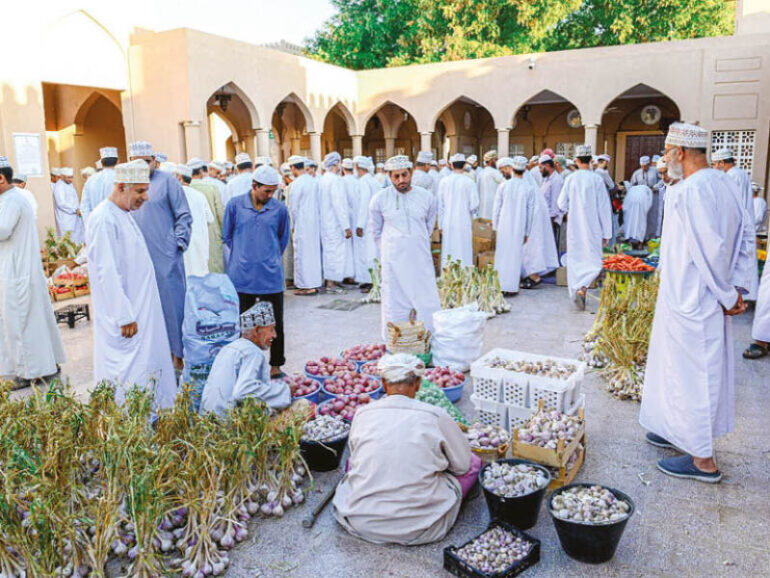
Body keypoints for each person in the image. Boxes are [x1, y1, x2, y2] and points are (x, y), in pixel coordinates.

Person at [640, 123, 753, 483]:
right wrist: (738, 286)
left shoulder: (695, 190)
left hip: (695, 297)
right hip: (687, 294)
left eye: (668, 150)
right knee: (674, 368)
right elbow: (744, 235)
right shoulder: (722, 182)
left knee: (695, 375)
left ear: (681, 153)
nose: (665, 157)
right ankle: (676, 430)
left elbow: (711, 250)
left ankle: (703, 460)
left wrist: (727, 293)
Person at [333, 353, 480, 545]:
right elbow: (461, 466)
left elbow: (356, 456)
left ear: (384, 385)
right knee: (474, 463)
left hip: (360, 521)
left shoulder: (362, 414)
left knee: (354, 464)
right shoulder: (436, 415)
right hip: (422, 527)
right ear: (418, 384)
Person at [86, 160, 176, 409]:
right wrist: (123, 315)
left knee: (146, 367)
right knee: (128, 375)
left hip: (140, 311)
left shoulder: (122, 215)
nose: (145, 197)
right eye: (139, 191)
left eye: (146, 190)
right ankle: (131, 429)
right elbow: (106, 271)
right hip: (126, 318)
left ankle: (154, 418)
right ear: (121, 187)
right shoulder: (104, 219)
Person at [0, 156, 65, 387]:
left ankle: (30, 372)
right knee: (33, 320)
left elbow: (3, 230)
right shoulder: (13, 198)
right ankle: (47, 364)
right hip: (20, 270)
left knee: (20, 322)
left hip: (18, 273)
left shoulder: (11, 201)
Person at [128, 141, 192, 370]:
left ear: (154, 160)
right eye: (138, 162)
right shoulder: (128, 183)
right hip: (138, 257)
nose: (144, 166)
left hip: (166, 257)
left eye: (147, 161)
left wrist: (177, 244)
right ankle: (153, 358)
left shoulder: (168, 182)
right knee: (144, 308)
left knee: (173, 307)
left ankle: (178, 357)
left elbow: (184, 215)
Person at [222, 165, 290, 378]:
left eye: (273, 191)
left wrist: (266, 257)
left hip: (270, 275)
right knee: (244, 325)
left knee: (275, 323)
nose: (271, 196)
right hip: (242, 276)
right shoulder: (235, 206)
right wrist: (244, 256)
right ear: (254, 186)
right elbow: (228, 236)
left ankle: (276, 365)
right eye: (266, 191)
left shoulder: (279, 209)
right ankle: (244, 367)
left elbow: (282, 239)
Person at [370, 155, 440, 339]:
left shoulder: (427, 197)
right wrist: (390, 250)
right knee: (394, 302)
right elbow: (376, 231)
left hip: (419, 258)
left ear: (411, 173)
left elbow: (428, 227)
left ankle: (428, 340)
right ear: (389, 177)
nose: (401, 180)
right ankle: (395, 342)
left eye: (404, 175)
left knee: (426, 300)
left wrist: (414, 242)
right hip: (393, 260)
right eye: (396, 176)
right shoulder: (379, 199)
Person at [201, 301, 291, 416]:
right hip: (227, 426)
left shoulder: (230, 348)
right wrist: (285, 391)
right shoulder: (252, 352)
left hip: (206, 421)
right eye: (271, 329)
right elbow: (244, 392)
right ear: (257, 330)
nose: (274, 335)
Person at [557, 145, 612, 310]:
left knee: (576, 258)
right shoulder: (597, 180)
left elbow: (561, 203)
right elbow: (604, 207)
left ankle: (579, 290)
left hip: (575, 227)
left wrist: (571, 210)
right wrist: (606, 233)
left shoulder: (571, 179)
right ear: (590, 161)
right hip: (593, 228)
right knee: (593, 260)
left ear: (577, 160)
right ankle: (583, 289)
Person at [713, 148, 759, 301]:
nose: (714, 168)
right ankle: (744, 295)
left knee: (735, 259)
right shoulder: (741, 173)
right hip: (743, 222)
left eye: (715, 164)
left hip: (737, 224)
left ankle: (735, 297)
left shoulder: (732, 176)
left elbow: (730, 204)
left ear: (721, 163)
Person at [492, 156, 535, 294]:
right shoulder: (529, 188)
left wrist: (495, 226)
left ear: (512, 169)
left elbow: (496, 208)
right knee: (515, 255)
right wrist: (527, 232)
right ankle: (511, 287)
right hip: (519, 227)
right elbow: (530, 213)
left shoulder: (504, 186)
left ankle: (500, 285)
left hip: (503, 226)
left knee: (502, 255)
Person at [288, 156, 322, 295]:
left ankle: (306, 286)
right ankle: (314, 283)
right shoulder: (313, 181)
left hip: (302, 223)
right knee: (312, 254)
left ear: (293, 168)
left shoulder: (297, 184)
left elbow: (293, 207)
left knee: (302, 254)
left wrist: (292, 224)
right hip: (314, 223)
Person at [437, 153, 479, 268]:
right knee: (463, 248)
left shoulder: (444, 182)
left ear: (451, 165)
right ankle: (465, 277)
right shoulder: (469, 182)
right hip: (464, 221)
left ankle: (448, 277)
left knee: (449, 249)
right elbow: (474, 205)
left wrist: (440, 224)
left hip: (448, 221)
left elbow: (440, 205)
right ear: (465, 165)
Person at [173, 163, 213, 277]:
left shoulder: (174, 195)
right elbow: (210, 219)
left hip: (182, 248)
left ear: (179, 178)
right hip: (199, 247)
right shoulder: (200, 196)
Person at [319, 152, 352, 291]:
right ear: (336, 164)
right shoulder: (335, 180)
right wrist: (346, 226)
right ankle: (331, 284)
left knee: (329, 252)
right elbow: (339, 205)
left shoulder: (323, 179)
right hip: (335, 223)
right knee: (335, 253)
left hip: (326, 222)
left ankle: (331, 280)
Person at [189, 158, 225, 273]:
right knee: (214, 268)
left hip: (191, 233)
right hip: (212, 232)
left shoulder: (184, 187)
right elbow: (220, 213)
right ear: (201, 171)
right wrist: (224, 233)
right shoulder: (212, 187)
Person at [354, 156, 380, 291]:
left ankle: (370, 281)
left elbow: (364, 203)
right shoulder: (373, 180)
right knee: (374, 252)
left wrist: (359, 224)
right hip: (374, 221)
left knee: (368, 252)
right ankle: (372, 279)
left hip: (367, 222)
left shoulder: (364, 181)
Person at [81, 147, 118, 223]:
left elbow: (84, 206)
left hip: (96, 224)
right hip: (118, 223)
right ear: (118, 161)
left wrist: (89, 224)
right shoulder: (122, 178)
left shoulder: (91, 180)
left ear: (101, 163)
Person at [630, 155, 661, 240]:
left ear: (649, 164)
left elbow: (662, 180)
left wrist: (655, 187)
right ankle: (641, 238)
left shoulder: (655, 171)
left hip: (653, 196)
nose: (643, 168)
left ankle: (651, 238)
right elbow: (632, 185)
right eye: (642, 166)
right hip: (641, 198)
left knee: (652, 217)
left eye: (645, 166)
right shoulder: (637, 173)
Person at [52, 167, 85, 243]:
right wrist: (75, 209)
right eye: (68, 177)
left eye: (71, 177)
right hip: (65, 217)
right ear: (62, 177)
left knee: (76, 237)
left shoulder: (69, 184)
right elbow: (61, 203)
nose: (71, 179)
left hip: (74, 216)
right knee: (68, 239)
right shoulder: (59, 186)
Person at [539, 155, 565, 246]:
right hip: (545, 218)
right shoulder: (546, 179)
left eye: (540, 167)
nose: (539, 170)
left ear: (547, 166)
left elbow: (555, 203)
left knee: (551, 246)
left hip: (551, 219)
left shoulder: (556, 180)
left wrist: (551, 220)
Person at [341, 158, 359, 284]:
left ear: (343, 169)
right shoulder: (357, 181)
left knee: (347, 248)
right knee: (357, 247)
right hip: (357, 216)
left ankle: (348, 275)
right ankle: (357, 274)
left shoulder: (341, 182)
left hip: (346, 217)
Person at [622, 183, 653, 247]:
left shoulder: (631, 190)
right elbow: (649, 203)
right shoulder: (647, 189)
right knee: (641, 222)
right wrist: (645, 210)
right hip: (642, 200)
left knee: (629, 221)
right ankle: (640, 242)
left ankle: (628, 238)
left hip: (632, 200)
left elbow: (624, 208)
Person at [477, 150, 503, 220]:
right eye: (496, 159)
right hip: (492, 206)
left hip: (482, 208)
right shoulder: (495, 172)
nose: (497, 162)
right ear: (491, 161)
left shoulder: (481, 173)